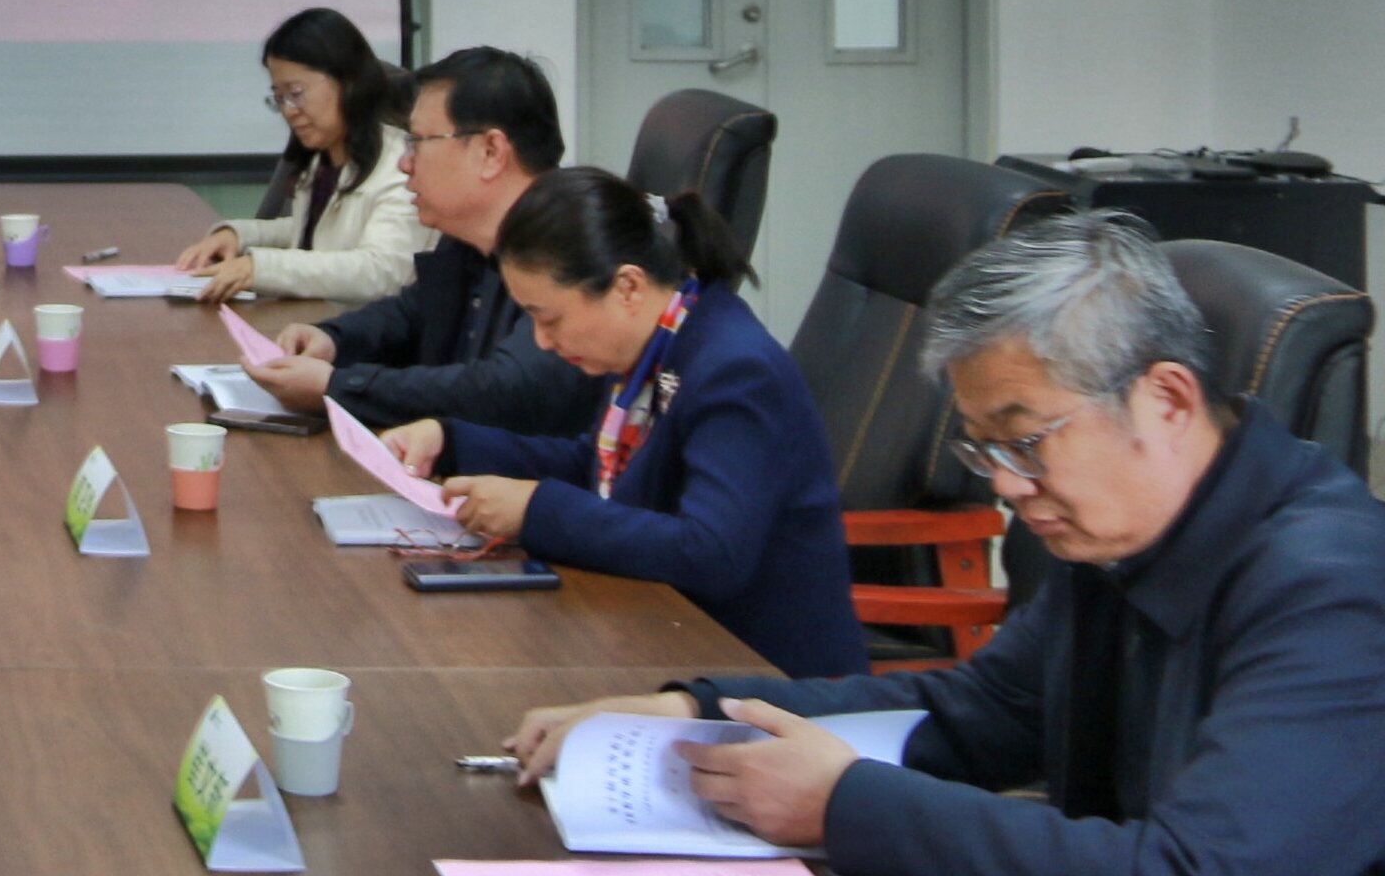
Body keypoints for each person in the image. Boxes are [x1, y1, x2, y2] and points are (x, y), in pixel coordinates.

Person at [507, 211, 1385, 874]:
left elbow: (1197, 867)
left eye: (1025, 440)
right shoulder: (1124, 532)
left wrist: (846, 808)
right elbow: (982, 712)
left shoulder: (1332, 594)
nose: (1007, 484)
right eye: (984, 450)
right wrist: (697, 715)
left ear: (1166, 400)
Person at [381, 167, 863, 679]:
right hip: (662, 630)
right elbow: (599, 464)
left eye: (550, 318)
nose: (542, 341)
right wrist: (452, 441)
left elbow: (712, 553)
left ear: (628, 286)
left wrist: (536, 511)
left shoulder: (735, 370)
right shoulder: (662, 337)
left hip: (761, 674)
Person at [238, 47, 609, 436]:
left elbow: (507, 390)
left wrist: (337, 386)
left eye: (417, 142)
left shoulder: (574, 244)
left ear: (490, 152)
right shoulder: (468, 235)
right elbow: (414, 313)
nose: (404, 164)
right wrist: (334, 340)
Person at [173, 8, 427, 305]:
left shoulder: (401, 165)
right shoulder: (324, 158)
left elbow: (382, 270)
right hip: (315, 321)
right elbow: (312, 232)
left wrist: (260, 268)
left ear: (348, 81)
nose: (288, 110)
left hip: (362, 330)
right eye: (279, 97)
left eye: (295, 93)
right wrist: (237, 236)